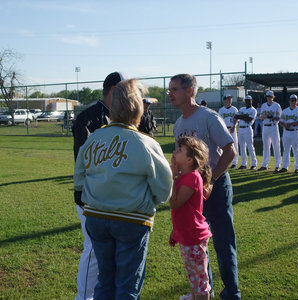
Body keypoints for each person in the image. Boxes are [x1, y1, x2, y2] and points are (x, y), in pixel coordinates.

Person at [74, 79, 173, 299]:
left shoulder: (94, 139)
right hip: (132, 219)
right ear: (138, 107)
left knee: (104, 282)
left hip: (97, 218)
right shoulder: (145, 143)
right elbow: (165, 188)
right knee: (127, 285)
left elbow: (79, 178)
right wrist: (151, 200)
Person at [169, 73, 241, 300]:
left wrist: (211, 180)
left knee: (223, 242)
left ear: (190, 91)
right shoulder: (179, 124)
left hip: (215, 188)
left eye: (175, 89)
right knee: (198, 242)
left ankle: (232, 293)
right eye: (169, 89)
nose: (170, 93)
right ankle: (203, 292)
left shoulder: (209, 117)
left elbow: (230, 150)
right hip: (192, 192)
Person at [72, 71, 126, 300]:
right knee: (94, 250)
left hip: (115, 196)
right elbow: (83, 163)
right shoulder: (88, 118)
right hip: (91, 196)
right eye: (125, 91)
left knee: (112, 253)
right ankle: (83, 297)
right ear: (114, 90)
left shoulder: (123, 117)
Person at [169, 136, 213, 300]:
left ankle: (199, 297)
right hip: (187, 236)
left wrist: (171, 178)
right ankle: (195, 296)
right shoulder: (184, 176)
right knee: (194, 277)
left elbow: (174, 203)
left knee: (200, 282)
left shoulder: (193, 177)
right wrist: (176, 232)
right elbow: (184, 211)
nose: (174, 151)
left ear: (189, 159)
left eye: (179, 150)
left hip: (194, 237)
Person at [278, 94, 298, 173]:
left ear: (296, 101)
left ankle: (297, 167)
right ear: (289, 101)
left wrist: (292, 124)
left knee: (296, 150)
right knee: (286, 150)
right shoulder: (285, 110)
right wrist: (284, 125)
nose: (293, 102)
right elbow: (281, 121)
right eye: (292, 100)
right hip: (286, 132)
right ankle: (285, 167)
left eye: (295, 100)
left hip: (295, 131)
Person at [258, 90, 282, 172]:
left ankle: (278, 165)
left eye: (270, 97)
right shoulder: (264, 105)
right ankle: (264, 164)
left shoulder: (277, 105)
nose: (269, 98)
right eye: (268, 97)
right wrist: (265, 116)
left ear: (273, 97)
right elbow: (260, 117)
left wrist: (272, 117)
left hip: (273, 126)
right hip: (265, 127)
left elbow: (279, 118)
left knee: (276, 146)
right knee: (266, 146)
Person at [234, 95, 258, 170]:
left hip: (248, 129)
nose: (247, 102)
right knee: (242, 147)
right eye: (246, 100)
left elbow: (249, 119)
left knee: (250, 147)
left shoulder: (253, 110)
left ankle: (254, 164)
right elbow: (236, 116)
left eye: (249, 100)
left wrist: (242, 116)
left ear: (251, 101)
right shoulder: (242, 108)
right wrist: (244, 116)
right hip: (240, 129)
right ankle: (243, 164)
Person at [218, 94, 239, 169]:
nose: (230, 100)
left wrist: (234, 126)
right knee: (223, 146)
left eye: (230, 98)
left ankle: (234, 162)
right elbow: (219, 120)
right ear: (225, 100)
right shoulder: (221, 110)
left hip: (232, 128)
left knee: (235, 145)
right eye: (228, 98)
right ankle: (223, 161)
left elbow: (237, 119)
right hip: (224, 129)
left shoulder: (234, 109)